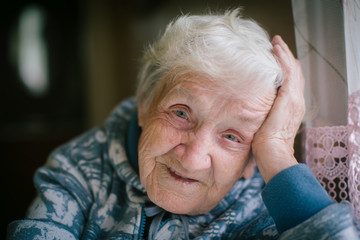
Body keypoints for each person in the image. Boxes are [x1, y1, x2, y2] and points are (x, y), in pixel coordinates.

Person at [7, 9, 360, 239]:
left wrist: (278, 152)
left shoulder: (265, 208)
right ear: (145, 102)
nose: (192, 158)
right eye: (181, 113)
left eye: (232, 136)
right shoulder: (79, 169)